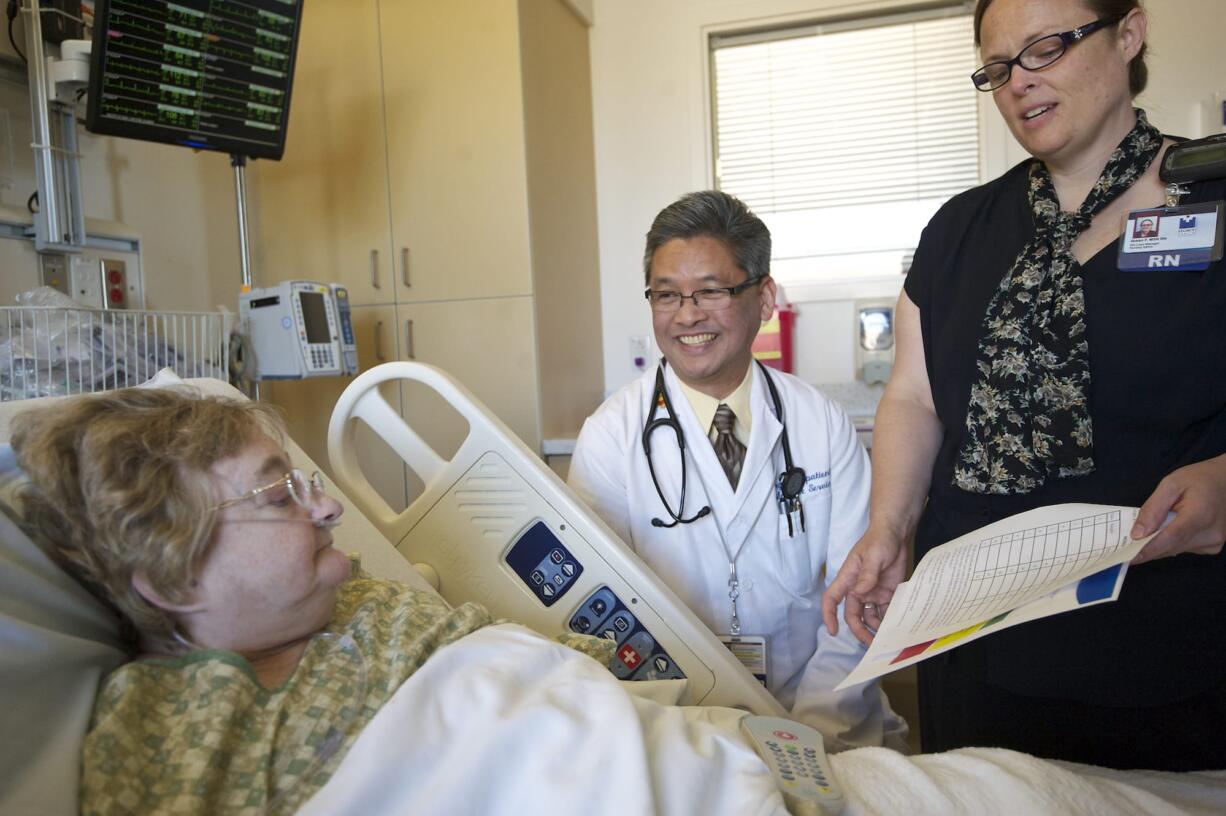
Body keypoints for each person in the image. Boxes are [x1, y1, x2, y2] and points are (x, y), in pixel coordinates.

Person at [822, 0, 1226, 771]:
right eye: (1000, 68)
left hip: (1163, 643)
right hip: (977, 643)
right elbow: (913, 396)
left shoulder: (1213, 197)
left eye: (1046, 48)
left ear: (1129, 33)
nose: (1019, 84)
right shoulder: (960, 231)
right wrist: (889, 529)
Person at [10, 386, 613, 815]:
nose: (329, 509)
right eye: (278, 496)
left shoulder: (357, 598)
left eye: (305, 486)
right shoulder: (157, 738)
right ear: (173, 580)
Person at [569, 190, 907, 751]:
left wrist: (814, 736)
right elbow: (603, 615)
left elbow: (857, 598)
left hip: (821, 706)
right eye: (666, 295)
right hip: (675, 721)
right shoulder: (610, 437)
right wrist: (692, 738)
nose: (687, 315)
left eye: (711, 291)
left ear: (764, 296)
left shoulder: (820, 424)